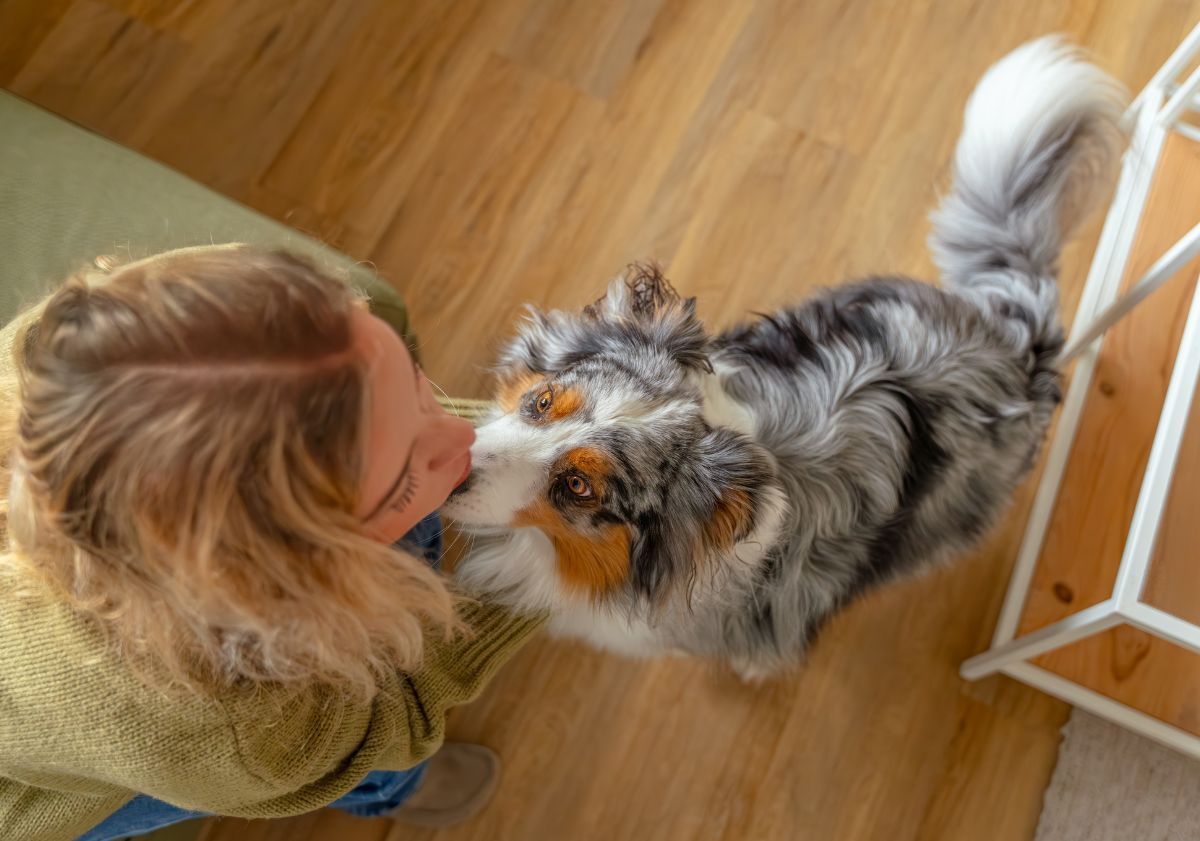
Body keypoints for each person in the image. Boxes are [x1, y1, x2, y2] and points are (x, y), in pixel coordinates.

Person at [0, 245, 543, 841]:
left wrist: (545, 444)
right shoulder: (238, 727)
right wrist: (555, 554)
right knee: (346, 754)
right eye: (402, 483)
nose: (462, 434)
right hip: (38, 786)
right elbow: (398, 713)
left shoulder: (78, 347)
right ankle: (385, 789)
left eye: (416, 384)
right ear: (294, 583)